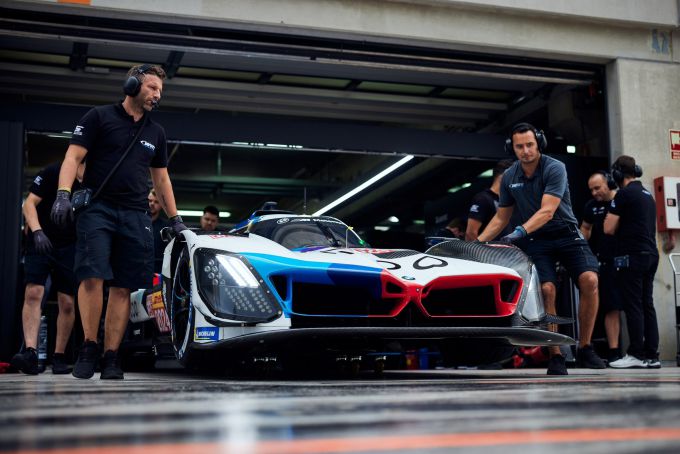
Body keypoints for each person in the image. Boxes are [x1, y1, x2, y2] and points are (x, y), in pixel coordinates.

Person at [50, 64, 187, 380]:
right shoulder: (98, 117)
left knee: (123, 286)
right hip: (97, 209)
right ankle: (89, 347)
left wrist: (176, 218)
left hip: (135, 214)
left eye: (161, 91)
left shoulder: (156, 132)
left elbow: (161, 179)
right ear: (132, 85)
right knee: (92, 276)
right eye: (152, 88)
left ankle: (111, 356)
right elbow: (73, 157)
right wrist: (62, 193)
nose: (157, 95)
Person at [477, 123, 605, 375]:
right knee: (547, 290)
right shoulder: (510, 177)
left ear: (539, 144)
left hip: (566, 232)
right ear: (512, 148)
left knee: (590, 280)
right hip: (537, 240)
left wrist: (519, 232)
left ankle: (585, 347)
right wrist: (478, 243)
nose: (525, 151)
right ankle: (555, 354)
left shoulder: (555, 168)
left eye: (529, 145)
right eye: (519, 147)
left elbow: (547, 211)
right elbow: (501, 217)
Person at [11, 162, 84, 375]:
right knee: (34, 292)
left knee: (67, 302)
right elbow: (29, 204)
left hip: (69, 245)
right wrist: (37, 231)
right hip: (41, 238)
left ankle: (59, 356)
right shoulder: (53, 172)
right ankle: (30, 353)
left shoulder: (93, 181)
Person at [604, 155, 661, 369]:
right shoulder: (647, 194)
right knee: (647, 304)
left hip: (633, 256)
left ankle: (636, 353)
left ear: (617, 174)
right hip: (651, 254)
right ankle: (652, 356)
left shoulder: (624, 194)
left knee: (633, 304)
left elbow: (608, 228)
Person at [580, 171, 622, 364]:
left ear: (609, 183)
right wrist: (580, 248)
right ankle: (613, 351)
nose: (594, 192)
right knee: (610, 307)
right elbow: (585, 228)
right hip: (603, 261)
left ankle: (640, 350)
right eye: (591, 190)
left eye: (597, 188)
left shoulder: (621, 200)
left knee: (633, 306)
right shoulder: (591, 206)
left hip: (625, 259)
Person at [465, 159, 514, 241]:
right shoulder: (483, 199)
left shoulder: (510, 201)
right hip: (487, 248)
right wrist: (478, 249)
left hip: (508, 248)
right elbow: (470, 233)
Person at [148, 189, 169, 274]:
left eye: (156, 202)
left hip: (158, 271)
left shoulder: (166, 227)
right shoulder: (136, 222)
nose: (152, 204)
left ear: (161, 205)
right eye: (150, 201)